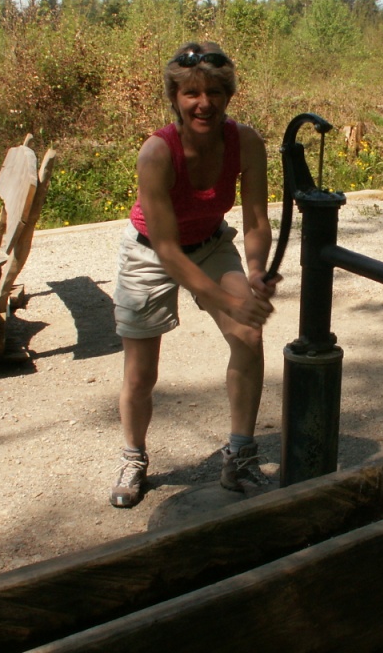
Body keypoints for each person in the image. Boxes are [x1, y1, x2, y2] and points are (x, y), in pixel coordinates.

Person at [109, 41, 279, 508]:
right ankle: (134, 456)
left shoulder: (245, 142)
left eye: (214, 92)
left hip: (209, 243)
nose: (204, 103)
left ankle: (240, 455)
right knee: (141, 372)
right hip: (150, 252)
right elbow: (166, 251)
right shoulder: (157, 153)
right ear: (175, 98)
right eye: (191, 93)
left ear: (229, 96)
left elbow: (256, 220)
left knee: (248, 335)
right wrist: (229, 300)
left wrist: (256, 271)